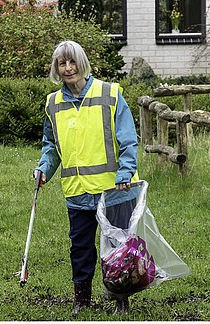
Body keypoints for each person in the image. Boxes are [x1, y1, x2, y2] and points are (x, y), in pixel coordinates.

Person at [34, 40, 139, 315]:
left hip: (114, 188)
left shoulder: (110, 94)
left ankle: (121, 300)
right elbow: (51, 145)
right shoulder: (53, 104)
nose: (68, 69)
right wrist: (44, 168)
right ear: (56, 69)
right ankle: (82, 300)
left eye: (72, 62)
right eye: (62, 63)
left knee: (118, 246)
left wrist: (126, 171)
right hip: (77, 190)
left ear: (82, 63)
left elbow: (128, 140)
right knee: (80, 248)